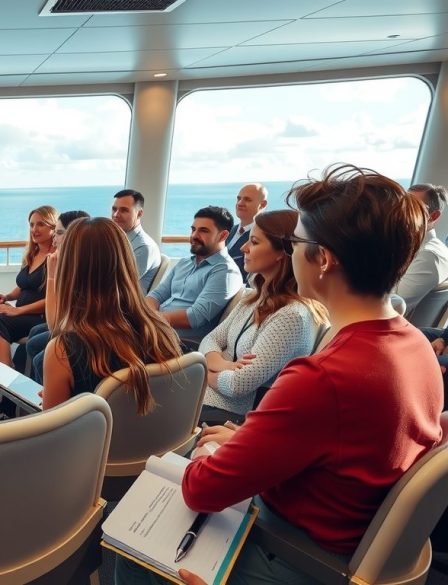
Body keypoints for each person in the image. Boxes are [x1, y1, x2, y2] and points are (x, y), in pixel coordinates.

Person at [117, 164, 444, 585]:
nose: (291, 253)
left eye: (295, 243)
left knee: (132, 553)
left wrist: (208, 450)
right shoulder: (416, 345)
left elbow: (201, 489)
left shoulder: (322, 377)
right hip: (342, 535)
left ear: (323, 259)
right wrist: (249, 442)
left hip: (294, 554)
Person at [198, 210, 327, 425]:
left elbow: (238, 385)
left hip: (229, 414)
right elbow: (210, 340)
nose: (243, 248)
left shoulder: (292, 316)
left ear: (281, 252)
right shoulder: (254, 297)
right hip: (206, 397)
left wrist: (205, 374)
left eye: (254, 242)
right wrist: (224, 364)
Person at [40, 218, 182, 410]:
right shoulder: (162, 333)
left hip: (94, 431)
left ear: (68, 271)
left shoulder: (62, 352)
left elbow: (55, 427)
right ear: (126, 264)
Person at [146, 206, 243, 343]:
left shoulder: (226, 271)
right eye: (193, 229)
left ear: (223, 236)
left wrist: (151, 320)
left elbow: (195, 317)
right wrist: (146, 318)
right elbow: (156, 295)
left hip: (179, 343)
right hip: (154, 331)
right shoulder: (184, 263)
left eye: (203, 231)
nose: (194, 236)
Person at [24, 209, 90, 383]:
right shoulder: (74, 263)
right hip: (75, 325)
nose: (54, 239)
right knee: (35, 333)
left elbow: (55, 325)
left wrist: (52, 276)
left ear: (74, 236)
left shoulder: (81, 269)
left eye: (59, 233)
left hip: (84, 331)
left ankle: (48, 392)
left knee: (38, 354)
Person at [0, 205, 59, 366]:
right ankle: (4, 368)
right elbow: (22, 287)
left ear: (53, 227)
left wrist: (18, 310)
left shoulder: (56, 258)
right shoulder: (31, 254)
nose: (34, 229)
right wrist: (6, 297)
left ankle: (7, 370)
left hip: (42, 318)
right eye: (32, 224)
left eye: (40, 224)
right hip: (23, 314)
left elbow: (53, 299)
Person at [393, 183, 448, 310]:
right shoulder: (412, 248)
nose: (402, 211)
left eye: (412, 207)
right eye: (402, 204)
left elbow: (394, 306)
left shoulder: (428, 256)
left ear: (433, 216)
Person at [111, 189, 162, 292]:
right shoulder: (118, 240)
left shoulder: (144, 247)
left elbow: (118, 284)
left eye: (124, 210)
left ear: (139, 213)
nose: (116, 215)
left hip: (123, 300)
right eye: (114, 209)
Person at [226, 183, 268, 281]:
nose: (240, 203)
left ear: (262, 204)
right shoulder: (229, 230)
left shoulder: (264, 236)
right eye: (238, 198)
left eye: (247, 199)